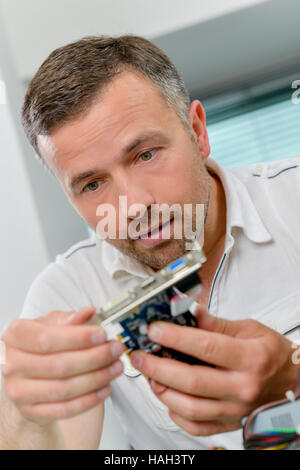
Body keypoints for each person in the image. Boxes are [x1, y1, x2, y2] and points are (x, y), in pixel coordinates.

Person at [0, 35, 299, 450]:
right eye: (92, 184)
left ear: (197, 130)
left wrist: (294, 382)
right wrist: (23, 416)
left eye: (145, 155)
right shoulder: (65, 296)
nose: (133, 207)